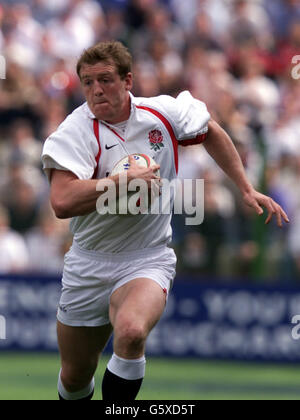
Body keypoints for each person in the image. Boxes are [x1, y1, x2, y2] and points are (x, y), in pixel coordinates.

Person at [41, 41, 289, 401]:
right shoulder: (75, 131)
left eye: (106, 79)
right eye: (88, 82)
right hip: (89, 261)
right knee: (76, 374)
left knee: (130, 332)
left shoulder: (163, 113)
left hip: (147, 256)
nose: (96, 90)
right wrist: (120, 182)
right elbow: (61, 202)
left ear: (128, 80)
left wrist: (245, 187)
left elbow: (211, 131)